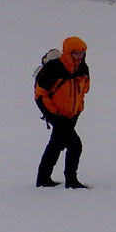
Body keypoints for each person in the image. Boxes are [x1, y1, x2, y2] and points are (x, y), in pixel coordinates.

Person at [35, 36, 91, 189]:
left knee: (56, 144)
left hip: (72, 115)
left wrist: (78, 108)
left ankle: (43, 179)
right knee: (75, 145)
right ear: (67, 52)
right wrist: (54, 114)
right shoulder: (54, 68)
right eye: (76, 53)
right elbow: (40, 95)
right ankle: (71, 181)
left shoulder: (83, 67)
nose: (80, 56)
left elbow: (84, 89)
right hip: (57, 115)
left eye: (82, 52)